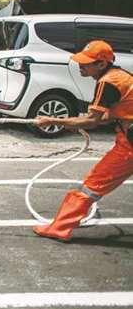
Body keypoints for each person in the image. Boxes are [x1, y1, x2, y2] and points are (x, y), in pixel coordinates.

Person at [33, 40, 133, 241]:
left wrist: (53, 120)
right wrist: (75, 122)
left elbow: (91, 121)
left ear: (101, 64)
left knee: (92, 185)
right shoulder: (121, 76)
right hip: (127, 136)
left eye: (86, 63)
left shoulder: (108, 82)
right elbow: (110, 114)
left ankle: (60, 228)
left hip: (130, 146)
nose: (80, 65)